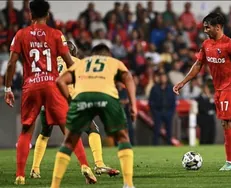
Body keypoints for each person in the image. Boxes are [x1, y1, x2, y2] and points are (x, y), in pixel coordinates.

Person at [3, 0, 93, 185]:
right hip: (52, 85)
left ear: (30, 14)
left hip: (31, 85)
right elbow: (69, 62)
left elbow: (11, 63)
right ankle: (85, 165)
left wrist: (8, 88)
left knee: (27, 130)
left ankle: (20, 175)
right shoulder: (56, 34)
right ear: (48, 15)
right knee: (69, 128)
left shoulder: (21, 34)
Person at [173, 13, 231, 171]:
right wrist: (183, 82)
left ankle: (230, 163)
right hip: (218, 90)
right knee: (229, 123)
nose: (205, 28)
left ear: (218, 27)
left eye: (208, 26)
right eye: (204, 25)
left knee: (228, 123)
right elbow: (197, 65)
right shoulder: (206, 44)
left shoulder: (229, 45)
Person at [50, 44, 137, 188]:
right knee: (122, 137)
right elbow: (128, 78)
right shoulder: (113, 62)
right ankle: (128, 183)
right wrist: (133, 105)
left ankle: (54, 185)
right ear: (107, 55)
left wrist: (71, 101)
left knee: (69, 141)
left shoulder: (82, 63)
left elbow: (60, 81)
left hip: (82, 97)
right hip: (107, 96)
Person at [31, 41, 119, 179]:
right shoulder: (76, 62)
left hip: (47, 101)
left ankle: (35, 169)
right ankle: (98, 163)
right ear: (73, 52)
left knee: (44, 134)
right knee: (92, 129)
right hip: (67, 102)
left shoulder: (49, 62)